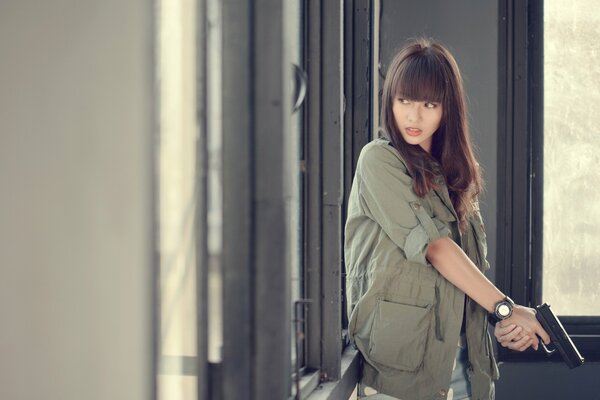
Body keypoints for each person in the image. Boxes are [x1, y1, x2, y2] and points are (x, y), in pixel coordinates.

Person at [344, 38, 550, 400]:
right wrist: (506, 307)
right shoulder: (378, 161)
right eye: (403, 100)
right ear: (389, 100)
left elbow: (460, 279)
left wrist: (499, 322)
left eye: (429, 103)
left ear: (446, 109)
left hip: (466, 371)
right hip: (401, 375)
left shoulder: (453, 176)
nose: (413, 115)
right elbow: (436, 249)